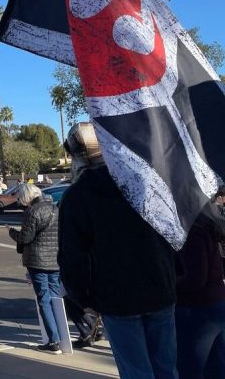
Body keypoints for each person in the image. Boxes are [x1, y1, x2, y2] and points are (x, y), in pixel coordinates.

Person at [59, 122, 177, 379]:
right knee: (166, 369)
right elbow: (173, 233)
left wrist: (85, 299)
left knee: (137, 372)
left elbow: (72, 259)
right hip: (160, 289)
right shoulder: (146, 181)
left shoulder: (77, 197)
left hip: (118, 299)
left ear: (77, 154)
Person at [7, 183, 62, 354]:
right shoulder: (55, 209)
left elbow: (25, 237)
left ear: (26, 197)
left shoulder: (33, 211)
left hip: (37, 261)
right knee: (55, 297)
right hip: (55, 259)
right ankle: (61, 336)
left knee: (44, 299)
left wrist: (12, 232)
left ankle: (54, 340)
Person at [174, 197, 225, 378]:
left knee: (190, 370)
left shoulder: (192, 230)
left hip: (195, 310)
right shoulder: (210, 225)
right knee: (216, 368)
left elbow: (196, 278)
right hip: (216, 303)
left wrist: (170, 283)